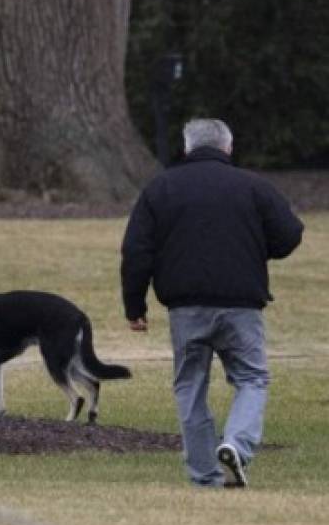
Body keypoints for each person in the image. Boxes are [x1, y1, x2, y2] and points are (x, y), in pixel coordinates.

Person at [120, 118, 304, 488]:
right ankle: (237, 442)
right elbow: (289, 234)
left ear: (186, 148)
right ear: (228, 148)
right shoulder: (252, 186)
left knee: (190, 384)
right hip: (241, 304)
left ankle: (205, 476)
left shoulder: (161, 188)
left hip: (186, 307)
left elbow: (137, 251)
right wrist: (254, 250)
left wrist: (134, 306)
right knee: (251, 377)